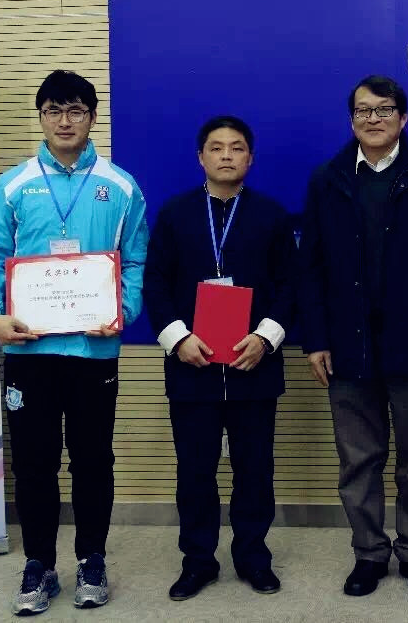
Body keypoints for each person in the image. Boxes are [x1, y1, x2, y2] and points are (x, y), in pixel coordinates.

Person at [0, 70, 148, 616]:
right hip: (29, 351)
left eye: (75, 110)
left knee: (93, 459)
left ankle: (92, 559)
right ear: (41, 117)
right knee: (34, 462)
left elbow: (136, 260)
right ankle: (39, 564)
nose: (64, 120)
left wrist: (123, 312)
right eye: (53, 110)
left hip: (94, 351)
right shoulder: (13, 185)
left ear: (92, 117)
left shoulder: (120, 186)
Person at [298, 75, 408, 598]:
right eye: (363, 111)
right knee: (358, 460)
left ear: (403, 118)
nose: (373, 119)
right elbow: (310, 269)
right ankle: (369, 553)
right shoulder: (327, 179)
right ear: (352, 120)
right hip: (348, 345)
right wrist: (316, 339)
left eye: (384, 109)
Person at [142, 115, 296, 601]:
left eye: (236, 147)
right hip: (193, 366)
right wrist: (177, 338)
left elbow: (291, 286)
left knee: (255, 469)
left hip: (254, 365)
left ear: (250, 157)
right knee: (194, 472)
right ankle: (198, 562)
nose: (226, 155)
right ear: (200, 157)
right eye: (216, 147)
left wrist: (266, 338)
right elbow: (155, 283)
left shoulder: (272, 215)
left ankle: (253, 557)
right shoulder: (175, 214)